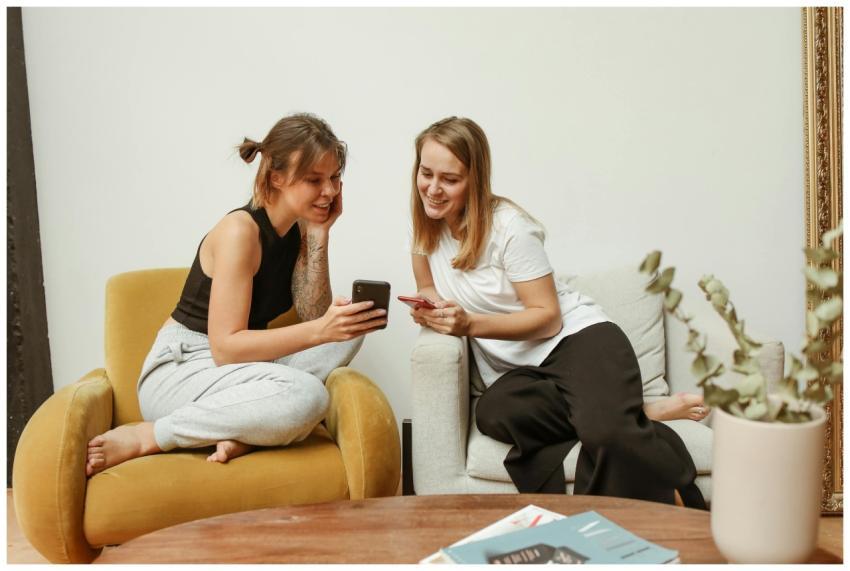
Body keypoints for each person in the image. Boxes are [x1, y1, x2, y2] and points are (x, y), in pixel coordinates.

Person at [406, 116, 706, 507]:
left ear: (474, 180)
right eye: (426, 173)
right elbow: (428, 284)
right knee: (494, 413)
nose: (433, 188)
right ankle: (636, 412)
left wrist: (468, 324)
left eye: (449, 179)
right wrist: (430, 309)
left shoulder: (510, 229)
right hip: (523, 373)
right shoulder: (425, 230)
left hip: (579, 342)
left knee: (606, 437)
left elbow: (548, 317)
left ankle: (622, 440)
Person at [86, 113, 387, 476]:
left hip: (241, 369)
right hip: (183, 370)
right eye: (315, 180)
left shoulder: (298, 227)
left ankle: (246, 431)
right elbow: (225, 349)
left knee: (353, 330)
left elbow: (313, 313)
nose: (330, 191)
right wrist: (322, 330)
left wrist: (319, 234)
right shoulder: (239, 232)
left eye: (335, 178)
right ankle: (152, 435)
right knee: (310, 397)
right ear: (276, 176)